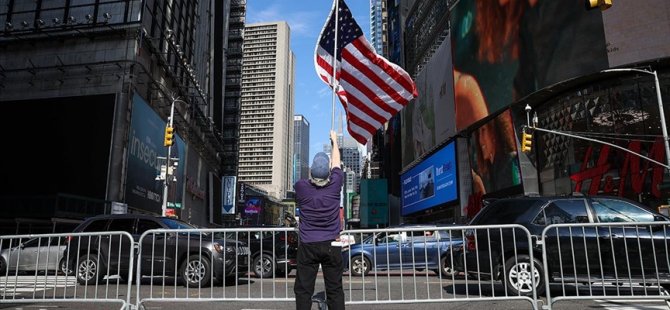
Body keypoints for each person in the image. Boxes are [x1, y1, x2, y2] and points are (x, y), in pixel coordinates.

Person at [293, 130, 344, 310]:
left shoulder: (301, 187)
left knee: (304, 290)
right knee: (335, 289)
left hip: (308, 246)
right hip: (332, 244)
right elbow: (337, 163)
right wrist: (334, 141)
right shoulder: (336, 184)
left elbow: (306, 180)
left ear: (311, 171)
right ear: (329, 171)